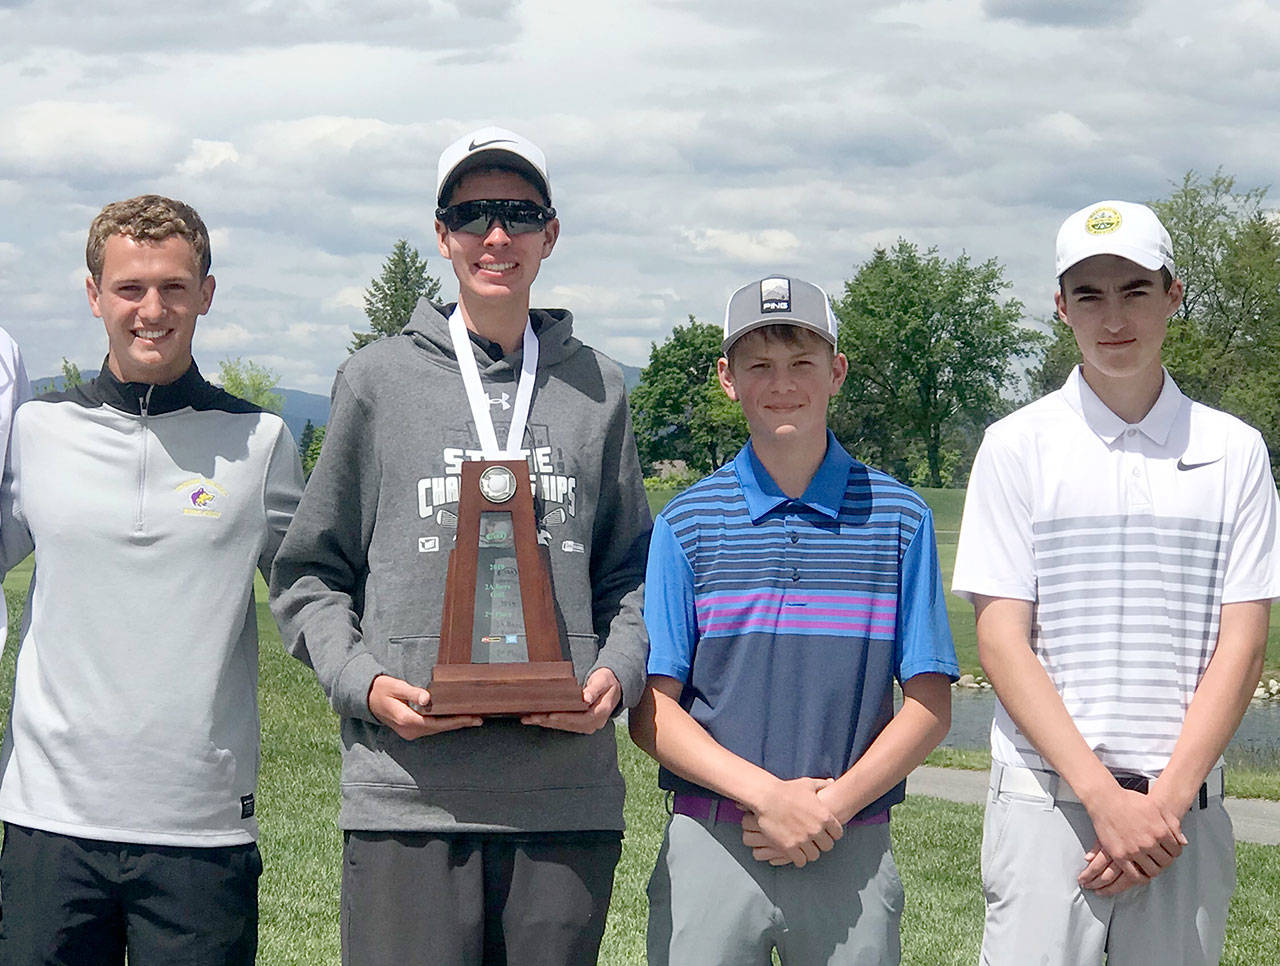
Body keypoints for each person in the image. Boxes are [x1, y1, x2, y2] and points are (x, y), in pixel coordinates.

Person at [269, 127, 650, 965]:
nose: (496, 236)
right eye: (473, 215)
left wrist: (616, 674)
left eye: (519, 213)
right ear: (442, 235)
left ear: (551, 233)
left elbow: (634, 572)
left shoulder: (599, 388)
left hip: (562, 798)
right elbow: (308, 573)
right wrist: (361, 681)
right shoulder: (376, 380)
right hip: (408, 794)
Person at [952, 200, 1279, 965]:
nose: (1114, 317)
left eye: (1135, 290)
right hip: (1046, 805)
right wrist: (1105, 799)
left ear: (1174, 296)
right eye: (1090, 295)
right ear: (1061, 308)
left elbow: (1243, 644)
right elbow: (1002, 640)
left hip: (1183, 812)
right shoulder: (1015, 446)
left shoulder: (1235, 452)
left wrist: (1157, 810)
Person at [0, 195, 304, 962]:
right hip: (49, 824)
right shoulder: (35, 433)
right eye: (130, 288)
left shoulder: (261, 443)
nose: (152, 310)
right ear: (95, 295)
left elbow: (317, 598)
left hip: (201, 831)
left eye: (174, 287)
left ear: (206, 294)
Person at [629, 275, 958, 965]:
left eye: (802, 362)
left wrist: (828, 807)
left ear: (836, 371)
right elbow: (652, 711)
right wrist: (769, 798)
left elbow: (928, 705)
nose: (782, 383)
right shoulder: (685, 524)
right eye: (759, 365)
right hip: (713, 838)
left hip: (851, 842)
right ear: (728, 379)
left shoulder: (901, 521)